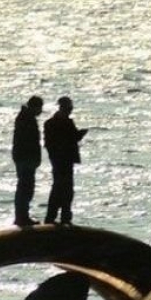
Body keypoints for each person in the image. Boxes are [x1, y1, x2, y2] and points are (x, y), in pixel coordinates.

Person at [43, 96, 88, 225]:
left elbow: (73, 138)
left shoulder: (66, 122)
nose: (70, 111)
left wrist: (80, 134)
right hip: (59, 161)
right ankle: (51, 218)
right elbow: (50, 143)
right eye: (69, 108)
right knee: (59, 188)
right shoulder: (51, 123)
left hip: (67, 160)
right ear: (62, 108)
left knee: (67, 189)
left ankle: (65, 217)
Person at [11, 95, 44, 227]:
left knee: (25, 188)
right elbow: (28, 141)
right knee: (25, 188)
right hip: (25, 158)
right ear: (35, 107)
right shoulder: (26, 119)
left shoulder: (25, 117)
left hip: (24, 158)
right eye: (40, 107)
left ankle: (22, 215)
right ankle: (21, 217)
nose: (41, 111)